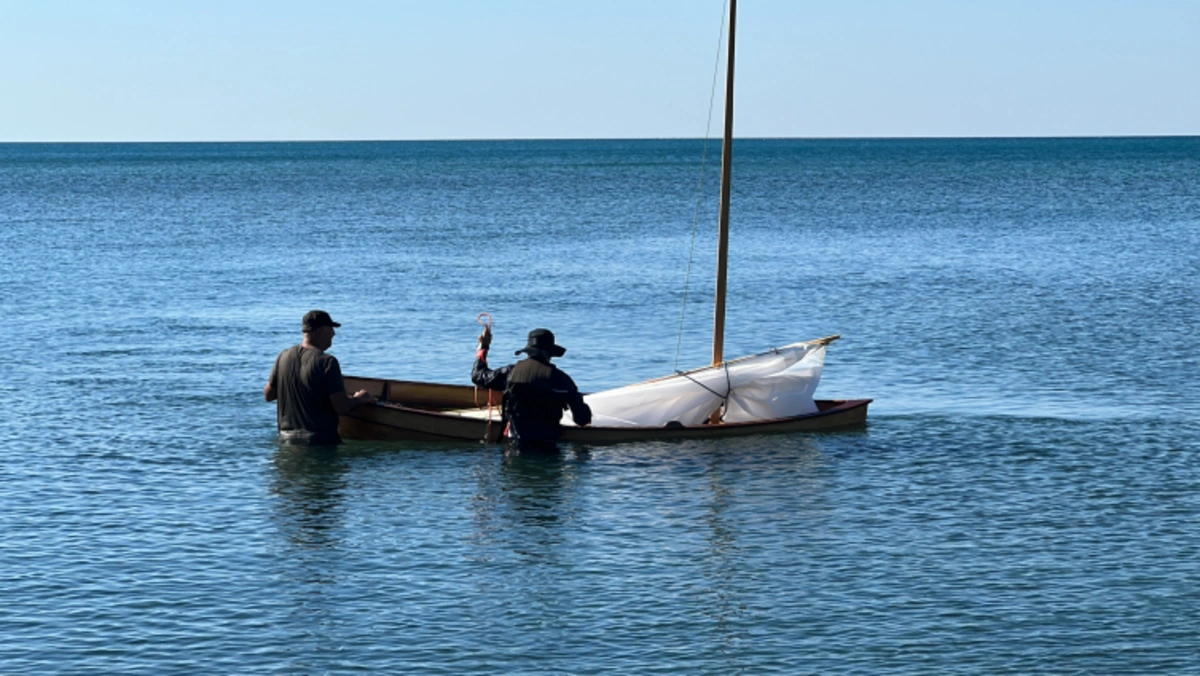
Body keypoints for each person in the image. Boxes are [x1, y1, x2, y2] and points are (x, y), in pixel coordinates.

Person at [472, 326, 592, 452]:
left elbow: (478, 376)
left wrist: (483, 346)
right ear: (551, 354)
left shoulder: (510, 373)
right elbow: (582, 419)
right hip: (548, 449)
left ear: (528, 352)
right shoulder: (562, 380)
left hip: (515, 447)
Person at [264, 310, 376, 445]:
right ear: (319, 332)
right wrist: (360, 398)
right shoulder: (327, 362)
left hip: (286, 440)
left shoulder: (283, 357)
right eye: (331, 329)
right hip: (320, 442)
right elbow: (342, 408)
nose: (333, 334)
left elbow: (269, 395)